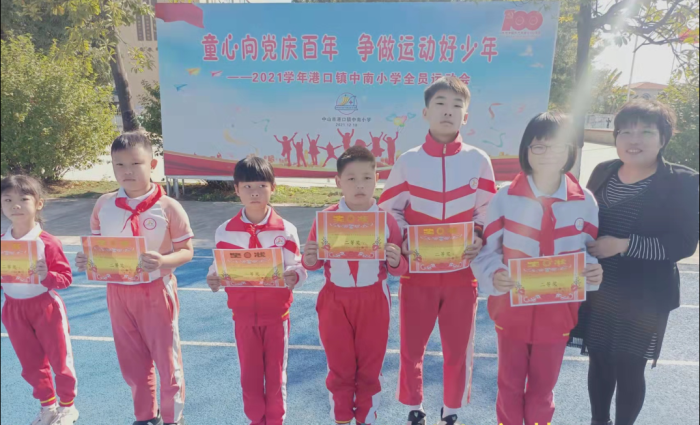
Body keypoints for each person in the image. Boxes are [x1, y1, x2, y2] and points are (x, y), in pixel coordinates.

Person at [572, 100, 700, 425]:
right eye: (626, 132)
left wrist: (623, 245)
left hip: (645, 295)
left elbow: (683, 244)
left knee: (629, 367)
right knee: (599, 360)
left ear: (663, 138)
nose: (634, 140)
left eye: (646, 132)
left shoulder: (682, 181)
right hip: (599, 288)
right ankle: (598, 421)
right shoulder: (604, 171)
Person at [471, 113, 604, 425]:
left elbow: (587, 252)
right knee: (509, 385)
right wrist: (494, 274)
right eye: (539, 146)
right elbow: (487, 251)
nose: (548, 154)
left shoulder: (584, 201)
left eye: (557, 147)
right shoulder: (505, 198)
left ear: (570, 150)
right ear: (526, 150)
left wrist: (592, 272)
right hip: (511, 310)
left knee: (543, 389)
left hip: (558, 313)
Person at [379, 76, 497, 425]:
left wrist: (479, 236)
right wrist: (405, 240)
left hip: (462, 274)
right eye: (440, 104)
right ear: (426, 112)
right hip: (418, 275)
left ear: (466, 116)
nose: (448, 112)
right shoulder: (408, 161)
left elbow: (487, 211)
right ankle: (414, 406)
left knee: (457, 349)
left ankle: (452, 408)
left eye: (456, 106)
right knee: (411, 347)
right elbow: (389, 210)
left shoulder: (479, 160)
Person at [75, 132, 195, 425]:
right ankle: (145, 416)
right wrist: (87, 259)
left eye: (135, 164)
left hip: (156, 291)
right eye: (119, 164)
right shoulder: (104, 204)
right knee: (131, 361)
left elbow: (187, 251)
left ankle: (173, 418)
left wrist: (164, 261)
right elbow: (99, 247)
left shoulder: (168, 207)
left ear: (152, 164)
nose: (127, 171)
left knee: (167, 360)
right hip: (118, 292)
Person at [303, 146, 408, 425]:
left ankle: (366, 418)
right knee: (340, 367)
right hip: (334, 301)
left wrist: (396, 260)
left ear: (377, 179)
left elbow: (400, 268)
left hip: (374, 300)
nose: (359, 185)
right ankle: (340, 418)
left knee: (370, 369)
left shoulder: (386, 220)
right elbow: (312, 263)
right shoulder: (326, 219)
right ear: (338, 181)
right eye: (351, 179)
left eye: (366, 178)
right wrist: (309, 258)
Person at [206, 155, 307, 425]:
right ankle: (255, 420)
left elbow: (297, 266)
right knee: (249, 379)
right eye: (247, 186)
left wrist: (295, 275)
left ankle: (275, 421)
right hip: (242, 318)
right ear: (236, 189)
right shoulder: (225, 231)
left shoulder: (286, 230)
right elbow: (218, 267)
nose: (254, 192)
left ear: (273, 187)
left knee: (275, 378)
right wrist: (214, 278)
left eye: (261, 186)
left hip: (276, 318)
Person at [1, 175, 79, 425]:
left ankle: (68, 407)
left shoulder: (47, 242)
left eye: (24, 199)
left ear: (39, 203)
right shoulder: (2, 243)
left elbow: (65, 279)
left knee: (60, 359)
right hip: (13, 309)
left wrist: (47, 276)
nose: (15, 205)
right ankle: (48, 406)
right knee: (30, 363)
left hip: (45, 307)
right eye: (7, 200)